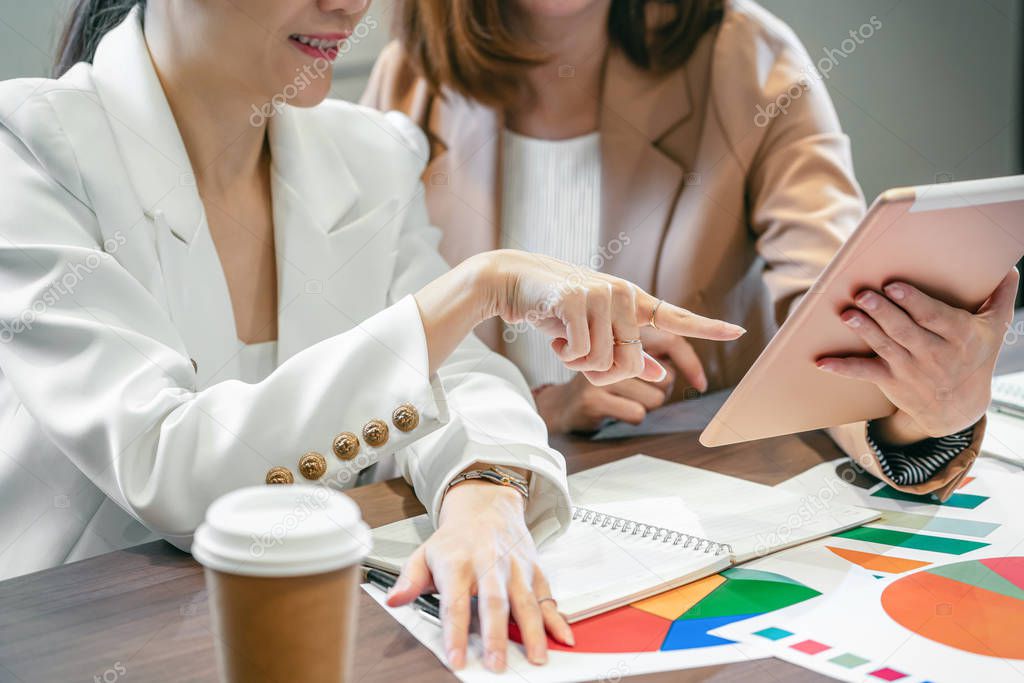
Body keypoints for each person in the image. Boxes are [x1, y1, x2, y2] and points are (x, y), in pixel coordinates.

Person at [0, 0, 744, 672]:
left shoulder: (368, 155)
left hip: (322, 630)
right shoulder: (31, 149)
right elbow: (169, 463)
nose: (350, 5)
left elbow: (466, 376)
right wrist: (474, 287)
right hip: (86, 642)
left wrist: (483, 491)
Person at [364, 0, 1012, 499]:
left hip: (691, 491)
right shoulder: (407, 82)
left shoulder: (745, 56)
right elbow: (367, 364)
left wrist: (926, 416)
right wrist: (543, 406)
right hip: (482, 495)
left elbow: (830, 315)